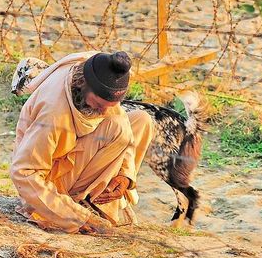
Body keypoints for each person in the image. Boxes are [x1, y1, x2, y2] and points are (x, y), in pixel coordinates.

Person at [10, 51, 154, 234]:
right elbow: (23, 172)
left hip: (76, 157)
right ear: (82, 84)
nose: (103, 112)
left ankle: (97, 198)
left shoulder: (97, 69)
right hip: (51, 180)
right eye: (99, 104)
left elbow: (120, 119)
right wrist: (76, 217)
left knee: (141, 120)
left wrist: (125, 175)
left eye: (109, 105)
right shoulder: (53, 115)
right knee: (116, 127)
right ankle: (76, 204)